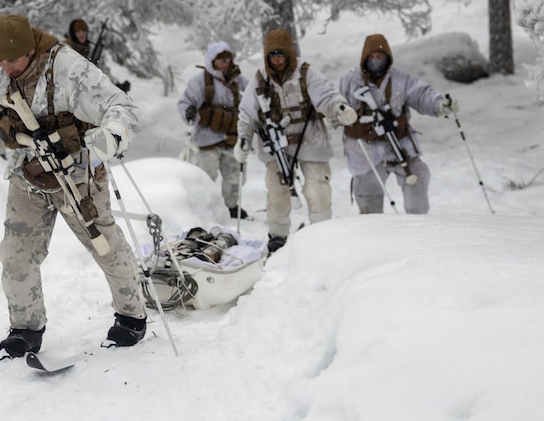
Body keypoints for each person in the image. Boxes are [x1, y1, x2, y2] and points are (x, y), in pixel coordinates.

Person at [0, 14, 148, 356]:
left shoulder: (67, 68)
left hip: (76, 174)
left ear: (31, 49)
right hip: (28, 175)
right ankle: (25, 328)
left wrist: (114, 134)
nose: (6, 68)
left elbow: (120, 106)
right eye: (1, 60)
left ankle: (131, 317)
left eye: (13, 60)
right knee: (16, 255)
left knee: (104, 247)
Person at [235, 28, 358, 253]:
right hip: (275, 143)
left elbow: (327, 96)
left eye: (281, 54)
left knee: (317, 186)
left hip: (309, 137)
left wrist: (339, 109)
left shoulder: (307, 73)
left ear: (290, 53)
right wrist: (243, 139)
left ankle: (322, 231)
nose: (277, 59)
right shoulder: (260, 79)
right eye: (272, 55)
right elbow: (247, 114)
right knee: (276, 190)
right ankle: (277, 235)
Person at [338, 33, 458, 215]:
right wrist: (336, 116)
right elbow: (333, 103)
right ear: (365, 58)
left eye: (381, 57)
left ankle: (417, 227)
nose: (376, 61)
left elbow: (421, 95)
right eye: (373, 57)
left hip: (400, 146)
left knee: (418, 177)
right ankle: (373, 234)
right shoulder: (349, 81)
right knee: (367, 198)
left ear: (388, 58)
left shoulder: (400, 79)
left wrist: (440, 105)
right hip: (365, 152)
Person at [177, 41, 249, 219]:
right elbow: (185, 102)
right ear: (212, 61)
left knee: (234, 176)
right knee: (206, 176)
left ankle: (231, 206)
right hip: (207, 137)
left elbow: (252, 99)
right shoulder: (200, 81)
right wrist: (189, 112)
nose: (224, 63)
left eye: (227, 59)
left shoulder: (239, 80)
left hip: (232, 137)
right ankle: (204, 207)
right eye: (220, 60)